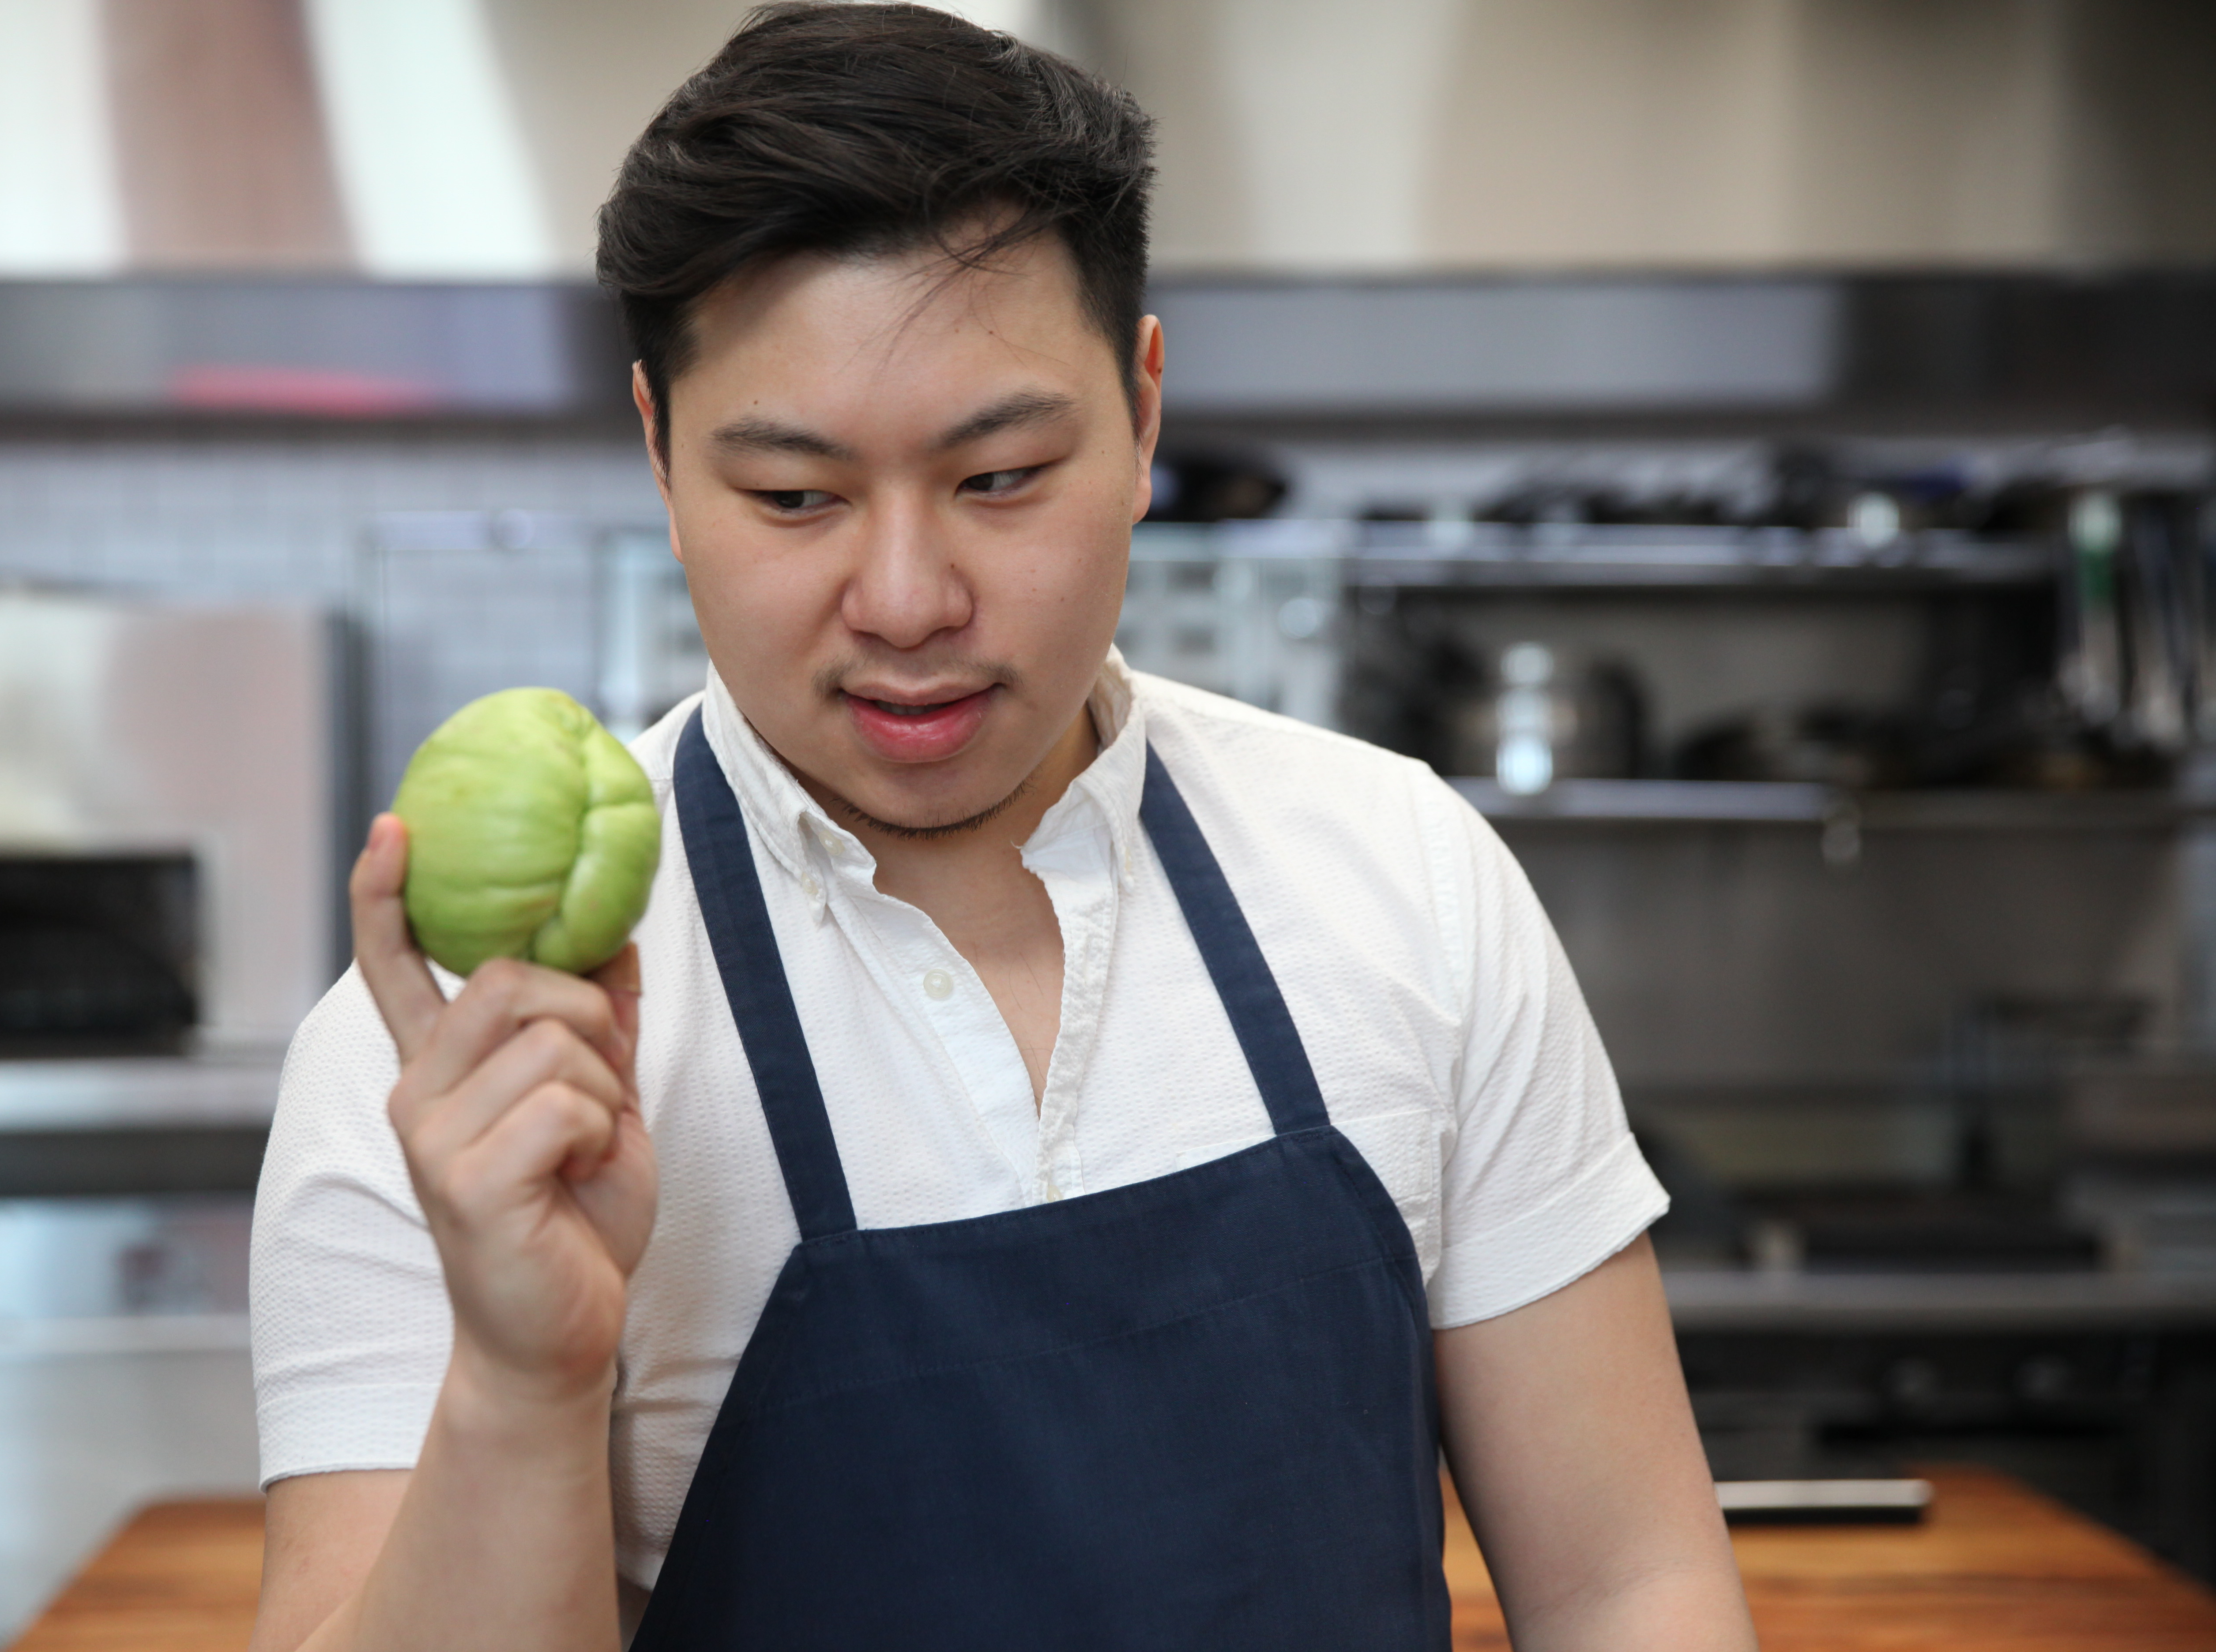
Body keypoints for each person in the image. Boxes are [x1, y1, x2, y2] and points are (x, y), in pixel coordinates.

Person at [246, 6, 1755, 1648]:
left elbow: (1629, 1585)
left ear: (1146, 410)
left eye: (1002, 476)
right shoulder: (467, 1077)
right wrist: (522, 1386)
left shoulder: (1403, 873)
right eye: (795, 499)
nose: (907, 602)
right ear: (660, 455)